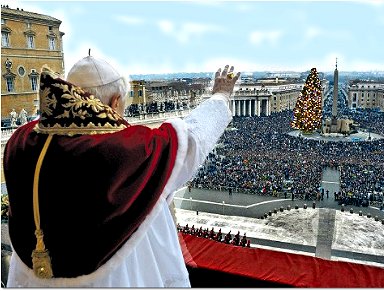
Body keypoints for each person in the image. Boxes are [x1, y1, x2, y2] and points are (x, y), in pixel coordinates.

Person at [3, 54, 240, 287]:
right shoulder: (125, 151)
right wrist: (220, 95)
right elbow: (189, 139)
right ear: (115, 102)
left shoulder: (22, 141)